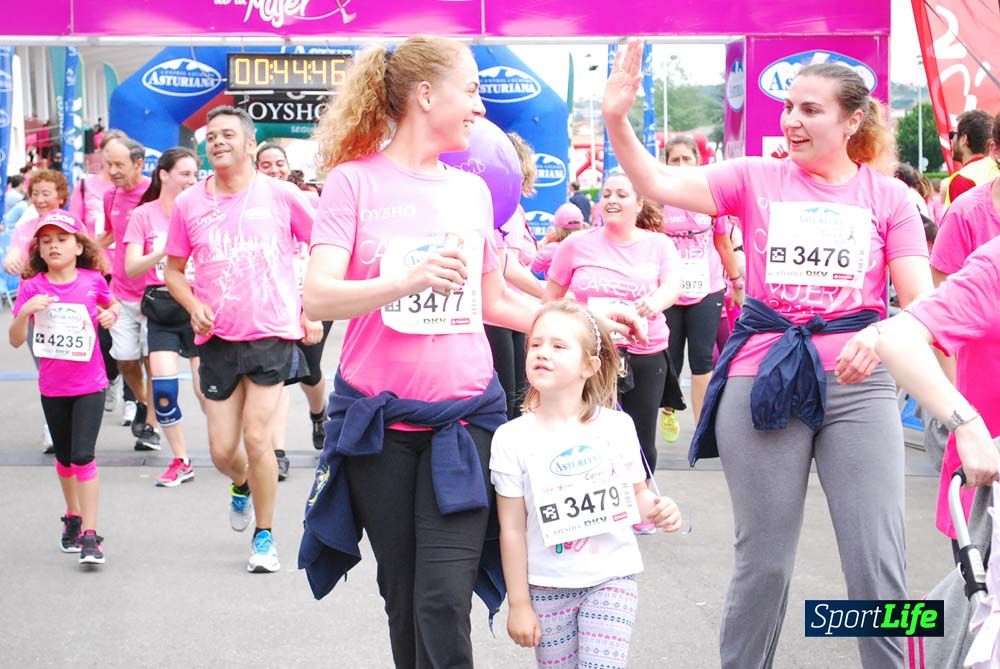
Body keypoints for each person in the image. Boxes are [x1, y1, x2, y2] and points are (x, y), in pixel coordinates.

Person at [299, 36, 644, 668]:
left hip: (464, 423)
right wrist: (405, 280)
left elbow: (494, 302)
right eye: (472, 91)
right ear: (426, 95)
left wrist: (580, 319)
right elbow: (318, 298)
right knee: (401, 597)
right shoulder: (352, 183)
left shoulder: (471, 192)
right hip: (379, 428)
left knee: (442, 599)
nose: (480, 109)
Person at [603, 40, 932, 668]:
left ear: (852, 120)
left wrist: (879, 334)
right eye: (788, 108)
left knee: (879, 566)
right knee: (765, 564)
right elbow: (656, 181)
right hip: (764, 377)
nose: (792, 121)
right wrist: (617, 120)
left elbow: (920, 301)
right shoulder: (755, 175)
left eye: (811, 110)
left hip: (857, 384)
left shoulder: (888, 198)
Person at [164, 105, 315, 573]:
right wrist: (193, 306)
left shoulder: (283, 196)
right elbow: (172, 271)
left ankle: (265, 536)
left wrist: (311, 309)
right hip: (217, 339)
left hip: (272, 331)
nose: (218, 142)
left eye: (228, 134)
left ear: (251, 144)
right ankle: (241, 485)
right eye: (211, 136)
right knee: (223, 452)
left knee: (257, 439)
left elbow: (326, 249)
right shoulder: (190, 203)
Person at [492, 299, 683, 668]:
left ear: (589, 366)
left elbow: (638, 495)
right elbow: (512, 528)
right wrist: (518, 603)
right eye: (535, 344)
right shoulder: (510, 438)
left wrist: (661, 510)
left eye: (559, 346)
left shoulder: (616, 427)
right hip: (546, 586)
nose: (542, 353)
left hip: (611, 578)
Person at [545, 170, 683, 533]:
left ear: (639, 204)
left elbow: (673, 284)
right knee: (588, 429)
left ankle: (641, 507)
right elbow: (552, 295)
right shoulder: (576, 245)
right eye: (606, 194)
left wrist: (654, 303)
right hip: (592, 354)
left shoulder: (658, 245)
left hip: (645, 350)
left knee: (638, 433)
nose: (612, 201)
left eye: (622, 194)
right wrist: (569, 323)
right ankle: (589, 506)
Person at [8, 211, 120, 565]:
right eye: (46, 241)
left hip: (90, 383)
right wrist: (26, 310)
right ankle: (72, 514)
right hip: (53, 385)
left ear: (77, 246)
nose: (53, 246)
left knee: (83, 456)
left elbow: (111, 303)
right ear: (38, 250)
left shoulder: (91, 280)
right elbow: (14, 341)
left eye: (61, 239)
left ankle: (91, 534)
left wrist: (111, 315)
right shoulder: (32, 286)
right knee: (64, 457)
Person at [925, 114, 1000, 551]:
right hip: (979, 402)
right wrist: (955, 407)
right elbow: (937, 326)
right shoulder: (968, 214)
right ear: (994, 153)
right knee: (975, 553)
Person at [123, 147, 204, 487]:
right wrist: (164, 249)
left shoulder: (206, 210)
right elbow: (130, 268)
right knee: (164, 391)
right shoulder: (144, 215)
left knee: (208, 394)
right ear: (164, 175)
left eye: (194, 174)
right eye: (184, 173)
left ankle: (232, 452)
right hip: (160, 306)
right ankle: (181, 459)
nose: (191, 180)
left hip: (200, 306)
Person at [659, 135, 742, 442]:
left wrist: (737, 282)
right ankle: (668, 407)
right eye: (675, 160)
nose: (681, 165)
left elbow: (723, 242)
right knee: (670, 359)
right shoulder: (658, 200)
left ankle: (701, 428)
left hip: (708, 290)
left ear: (698, 161)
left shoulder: (710, 198)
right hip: (669, 292)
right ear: (666, 164)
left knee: (702, 360)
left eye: (686, 159)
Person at [255, 142, 330, 481]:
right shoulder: (251, 205)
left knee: (310, 372)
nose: (274, 170)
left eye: (279, 163)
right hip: (272, 302)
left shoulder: (311, 200)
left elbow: (324, 251)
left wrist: (311, 308)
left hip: (311, 297)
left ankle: (319, 413)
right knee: (280, 378)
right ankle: (277, 452)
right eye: (266, 164)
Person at [3, 169, 73, 452]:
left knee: (73, 367)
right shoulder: (26, 226)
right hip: (36, 308)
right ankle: (53, 426)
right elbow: (15, 251)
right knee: (46, 369)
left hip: (70, 307)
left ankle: (76, 418)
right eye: (36, 194)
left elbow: (90, 258)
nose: (40, 200)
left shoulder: (72, 224)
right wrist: (10, 261)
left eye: (47, 194)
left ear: (60, 196)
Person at [99, 136, 160, 450]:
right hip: (119, 293)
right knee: (124, 359)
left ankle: (151, 425)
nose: (112, 171)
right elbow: (110, 234)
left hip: (153, 293)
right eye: (108, 164)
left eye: (118, 164)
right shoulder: (110, 196)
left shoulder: (155, 193)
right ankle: (145, 401)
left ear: (138, 163)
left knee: (152, 360)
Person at [487, 131, 543, 420]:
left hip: (517, 312)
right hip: (496, 314)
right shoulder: (498, 209)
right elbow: (505, 264)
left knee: (521, 396)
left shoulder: (514, 210)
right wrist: (550, 295)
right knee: (507, 400)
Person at [943, 109, 998, 208]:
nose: (951, 140)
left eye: (952, 135)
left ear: (964, 139)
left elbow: (961, 222)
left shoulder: (962, 180)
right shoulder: (996, 169)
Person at [530, 201, 585, 276]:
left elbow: (533, 266)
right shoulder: (587, 248)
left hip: (555, 287)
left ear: (556, 227)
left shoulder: (550, 249)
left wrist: (545, 240)